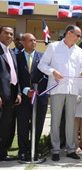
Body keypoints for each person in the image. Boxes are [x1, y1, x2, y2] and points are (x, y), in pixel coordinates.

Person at [38, 25, 82, 161]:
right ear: (69, 33)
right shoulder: (53, 47)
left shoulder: (79, 51)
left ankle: (70, 149)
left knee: (71, 121)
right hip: (57, 88)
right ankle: (55, 150)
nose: (79, 38)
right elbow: (42, 65)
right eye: (78, 35)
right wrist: (52, 72)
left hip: (72, 90)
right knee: (55, 120)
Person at [16, 33, 48, 161]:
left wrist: (36, 89)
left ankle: (34, 150)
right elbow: (14, 76)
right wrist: (24, 90)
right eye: (31, 40)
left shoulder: (43, 57)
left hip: (39, 97)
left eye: (35, 40)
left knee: (38, 125)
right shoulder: (16, 57)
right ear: (23, 42)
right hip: (22, 98)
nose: (34, 42)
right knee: (23, 125)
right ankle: (23, 151)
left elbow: (47, 76)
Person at [0, 26, 22, 161]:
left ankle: (3, 152)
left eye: (11, 34)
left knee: (8, 125)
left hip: (12, 94)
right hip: (1, 94)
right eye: (6, 33)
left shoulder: (12, 53)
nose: (9, 36)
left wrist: (18, 92)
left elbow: (15, 74)